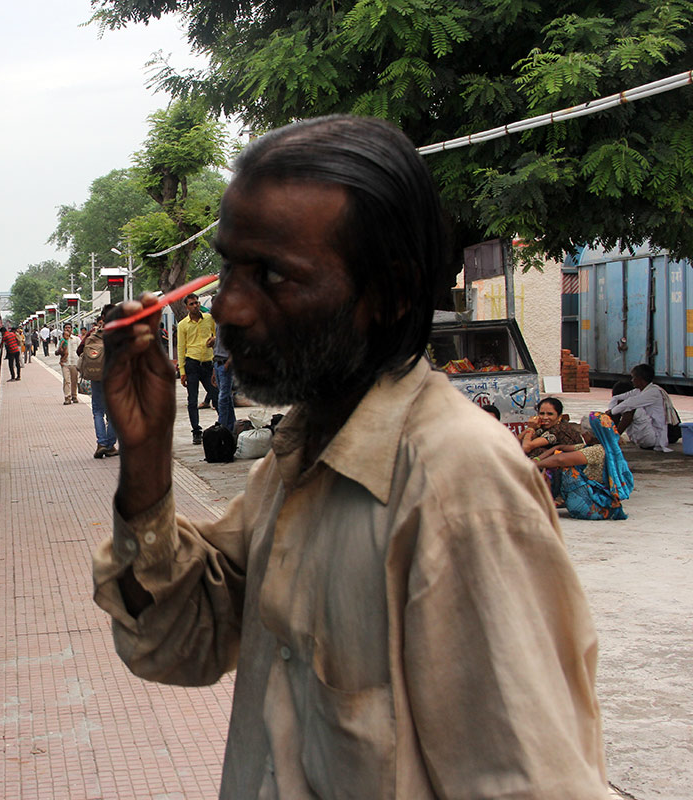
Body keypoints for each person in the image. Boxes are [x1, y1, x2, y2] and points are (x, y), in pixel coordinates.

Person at [94, 115, 605, 798]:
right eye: (229, 271)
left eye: (272, 275)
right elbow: (179, 640)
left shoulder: (456, 487)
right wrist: (147, 460)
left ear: (388, 293)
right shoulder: (300, 457)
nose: (230, 309)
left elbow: (530, 782)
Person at [534, 412, 633, 520]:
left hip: (591, 508)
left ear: (588, 434)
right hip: (603, 506)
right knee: (558, 455)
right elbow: (562, 447)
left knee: (561, 466)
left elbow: (560, 460)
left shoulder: (596, 451)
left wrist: (531, 465)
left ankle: (544, 502)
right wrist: (538, 459)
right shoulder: (607, 447)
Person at [176, 293, 217, 444]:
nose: (195, 306)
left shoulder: (209, 319)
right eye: (192, 304)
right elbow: (181, 348)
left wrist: (214, 340)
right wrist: (182, 372)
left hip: (208, 364)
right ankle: (196, 431)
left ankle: (223, 426)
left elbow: (216, 334)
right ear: (187, 307)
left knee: (216, 395)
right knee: (192, 400)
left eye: (197, 303)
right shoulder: (183, 325)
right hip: (192, 364)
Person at [79, 307, 118, 459]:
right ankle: (109, 445)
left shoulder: (94, 333)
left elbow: (80, 350)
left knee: (98, 411)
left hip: (96, 376)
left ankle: (101, 444)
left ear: (102, 316)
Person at [608, 364, 671, 451]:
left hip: (654, 437)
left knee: (630, 408)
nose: (632, 380)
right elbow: (616, 398)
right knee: (620, 405)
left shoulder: (653, 392)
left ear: (640, 379)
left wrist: (611, 412)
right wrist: (611, 410)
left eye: (633, 378)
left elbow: (630, 403)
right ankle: (610, 435)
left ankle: (614, 438)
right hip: (643, 434)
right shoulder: (638, 391)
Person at [209, 328, 235, 434]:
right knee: (226, 398)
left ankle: (222, 428)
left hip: (225, 363)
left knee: (223, 399)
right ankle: (230, 427)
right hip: (218, 362)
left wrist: (229, 362)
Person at [58, 321, 79, 404]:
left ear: (71, 329)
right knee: (67, 380)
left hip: (74, 362)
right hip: (65, 363)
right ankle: (67, 397)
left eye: (69, 328)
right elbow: (58, 352)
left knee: (74, 380)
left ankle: (74, 396)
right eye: (66, 328)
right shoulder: (61, 340)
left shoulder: (76, 339)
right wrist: (62, 346)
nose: (67, 329)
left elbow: (80, 350)